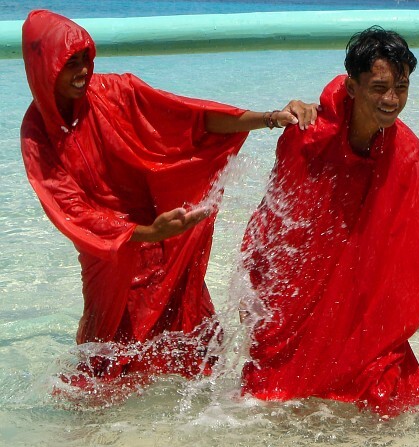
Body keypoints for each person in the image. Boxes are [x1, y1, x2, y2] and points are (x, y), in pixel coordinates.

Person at [20, 10, 318, 383]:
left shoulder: (117, 92)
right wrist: (144, 233)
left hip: (164, 242)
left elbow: (193, 121)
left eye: (86, 60)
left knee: (197, 351)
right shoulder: (37, 134)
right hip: (110, 256)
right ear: (43, 67)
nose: (83, 72)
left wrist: (270, 118)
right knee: (102, 373)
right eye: (69, 64)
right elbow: (70, 209)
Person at [239, 26, 419, 416]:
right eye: (379, 87)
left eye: (401, 87)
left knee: (385, 397)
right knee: (272, 399)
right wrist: (257, 295)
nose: (392, 99)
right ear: (351, 88)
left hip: (355, 291)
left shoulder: (407, 152)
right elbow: (273, 221)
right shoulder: (309, 136)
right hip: (298, 291)